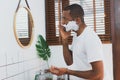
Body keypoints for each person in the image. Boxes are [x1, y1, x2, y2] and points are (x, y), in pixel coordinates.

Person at [50, 4, 104, 80]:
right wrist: (64, 40)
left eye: (65, 18)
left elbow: (99, 75)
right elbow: (69, 62)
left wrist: (67, 71)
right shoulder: (76, 35)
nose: (62, 22)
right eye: (62, 18)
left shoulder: (90, 38)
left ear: (77, 20)